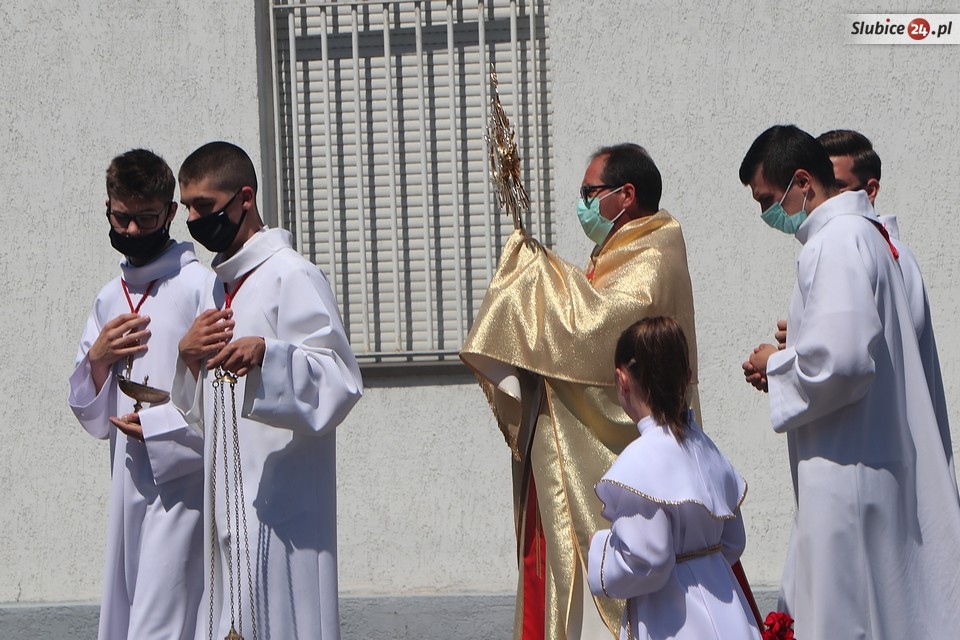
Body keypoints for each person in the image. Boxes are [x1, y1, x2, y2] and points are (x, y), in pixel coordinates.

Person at [462, 143, 703, 639]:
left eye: (590, 192)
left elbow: (599, 329)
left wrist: (538, 277)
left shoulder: (655, 253)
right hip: (573, 448)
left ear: (626, 194)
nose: (583, 203)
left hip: (616, 458)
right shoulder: (618, 251)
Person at [130, 141, 363, 640]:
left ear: (245, 199)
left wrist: (269, 356)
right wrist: (187, 361)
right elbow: (205, 413)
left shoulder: (292, 275)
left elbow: (340, 380)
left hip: (285, 506)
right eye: (188, 208)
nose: (193, 220)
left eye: (205, 207)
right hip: (228, 501)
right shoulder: (218, 287)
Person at [739, 124, 960, 639]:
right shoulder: (870, 238)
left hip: (849, 470)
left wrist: (777, 363)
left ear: (803, 182)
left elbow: (843, 364)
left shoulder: (835, 243)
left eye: (769, 200)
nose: (767, 214)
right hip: (870, 458)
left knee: (848, 617)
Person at [68, 149, 211, 639]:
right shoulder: (110, 296)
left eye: (145, 219)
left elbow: (223, 395)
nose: (131, 230)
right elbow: (89, 411)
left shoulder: (199, 286)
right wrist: (98, 359)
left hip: (183, 486)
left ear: (169, 213)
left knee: (160, 622)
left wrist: (159, 426)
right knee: (130, 611)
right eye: (120, 218)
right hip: (127, 478)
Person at [588, 316, 760, 640]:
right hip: (728, 607)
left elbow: (646, 559)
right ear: (686, 375)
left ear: (622, 380)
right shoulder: (706, 447)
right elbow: (733, 541)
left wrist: (600, 550)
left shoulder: (639, 463)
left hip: (674, 619)